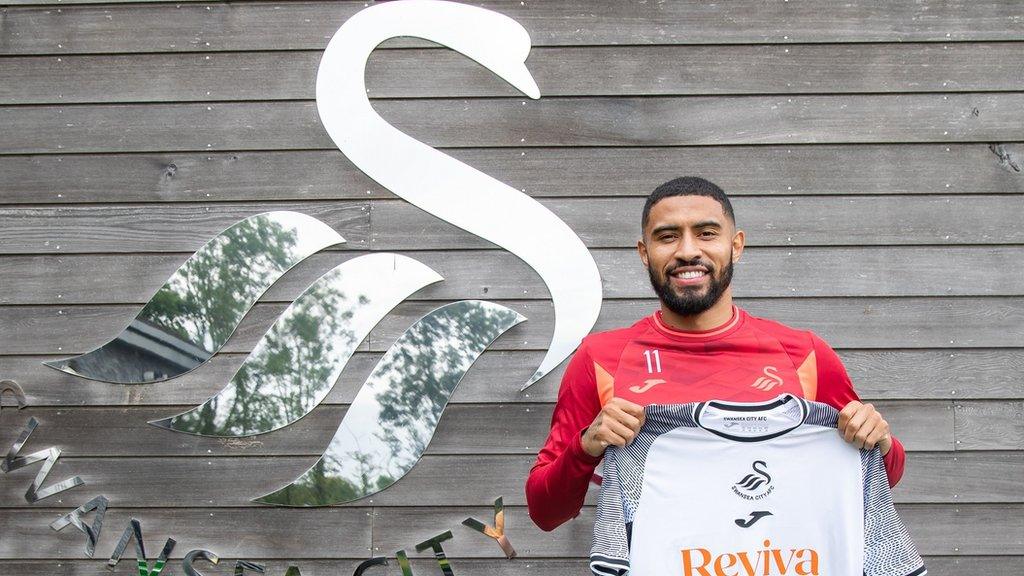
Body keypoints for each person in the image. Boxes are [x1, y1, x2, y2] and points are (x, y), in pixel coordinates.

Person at [525, 176, 905, 532]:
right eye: (667, 237)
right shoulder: (601, 358)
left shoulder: (803, 353)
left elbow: (881, 475)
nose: (688, 251)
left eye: (706, 233)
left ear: (735, 245)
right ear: (645, 252)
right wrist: (587, 445)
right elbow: (545, 512)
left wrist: (880, 439)